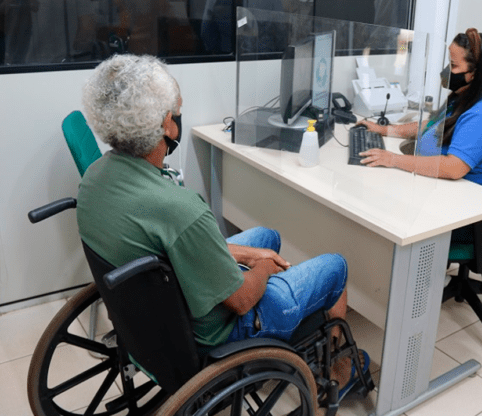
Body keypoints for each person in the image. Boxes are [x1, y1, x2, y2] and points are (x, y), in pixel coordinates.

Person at [76, 54, 367, 394]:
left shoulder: (95, 177)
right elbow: (241, 301)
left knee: (267, 237)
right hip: (221, 333)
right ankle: (339, 371)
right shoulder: (180, 209)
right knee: (336, 267)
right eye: (178, 110)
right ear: (167, 125)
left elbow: (177, 246)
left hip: (158, 316)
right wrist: (264, 269)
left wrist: (250, 256)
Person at [357, 28, 482, 243]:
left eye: (454, 65)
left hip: (477, 216)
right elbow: (432, 126)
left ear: (474, 73)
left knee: (388, 212)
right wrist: (386, 130)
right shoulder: (463, 97)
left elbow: (453, 167)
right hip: (452, 197)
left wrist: (393, 159)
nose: (447, 71)